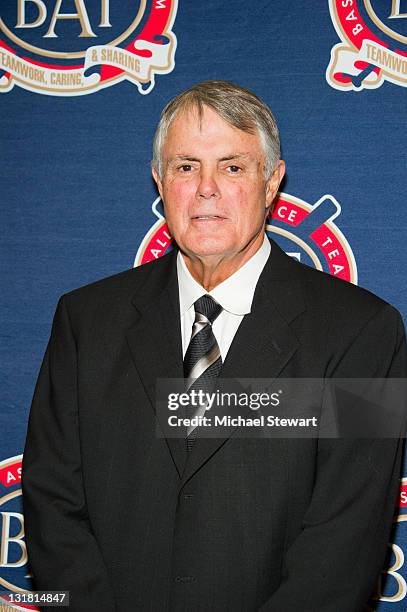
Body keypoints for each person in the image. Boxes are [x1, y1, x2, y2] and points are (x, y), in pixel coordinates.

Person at [22, 80, 406, 612]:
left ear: (272, 182)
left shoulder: (364, 333)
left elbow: (348, 541)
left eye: (232, 166)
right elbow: (52, 504)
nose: (206, 188)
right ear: (159, 180)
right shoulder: (85, 322)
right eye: (185, 166)